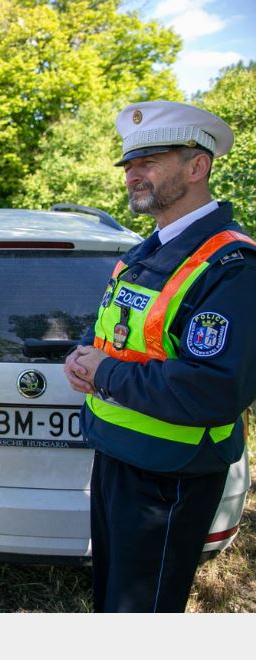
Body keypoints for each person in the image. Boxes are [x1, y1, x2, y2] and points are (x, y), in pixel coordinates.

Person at [64, 100, 256, 613]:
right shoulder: (146, 251)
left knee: (141, 612)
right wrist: (84, 353)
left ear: (199, 166)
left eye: (149, 162)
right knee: (113, 599)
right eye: (129, 165)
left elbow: (211, 389)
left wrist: (105, 373)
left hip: (169, 475)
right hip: (118, 455)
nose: (133, 175)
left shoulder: (231, 265)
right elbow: (122, 331)